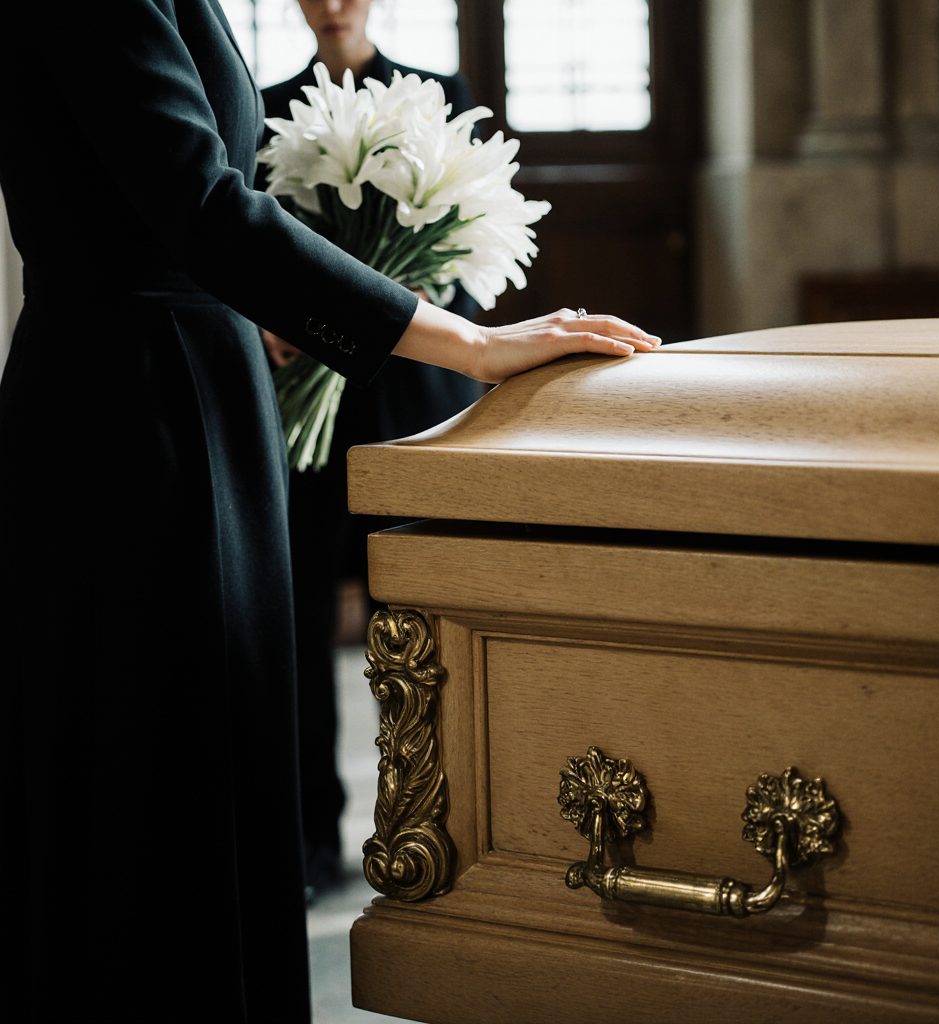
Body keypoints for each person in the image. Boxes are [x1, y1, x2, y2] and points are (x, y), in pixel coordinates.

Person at [0, 2, 659, 1021]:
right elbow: (205, 205)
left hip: (189, 382)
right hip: (131, 411)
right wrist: (472, 346)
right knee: (147, 771)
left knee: (212, 753)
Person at [256, 0, 486, 900]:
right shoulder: (271, 103)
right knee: (302, 611)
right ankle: (313, 835)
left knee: (429, 615)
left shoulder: (436, 93)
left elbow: (464, 251)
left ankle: (451, 829)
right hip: (309, 399)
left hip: (416, 392)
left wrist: (384, 298)